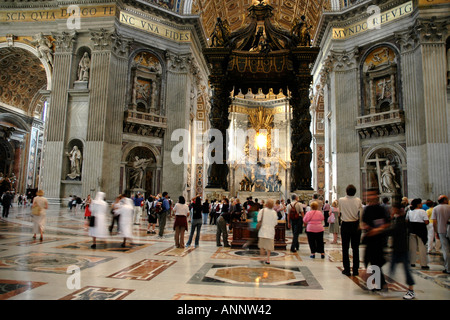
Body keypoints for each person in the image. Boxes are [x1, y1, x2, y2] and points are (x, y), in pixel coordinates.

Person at [361, 190, 390, 291]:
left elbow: (387, 223)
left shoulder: (381, 209)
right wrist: (365, 227)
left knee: (376, 261)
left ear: (376, 196)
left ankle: (379, 283)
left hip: (379, 238)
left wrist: (377, 230)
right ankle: (380, 283)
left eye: (370, 195)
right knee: (370, 260)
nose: (368, 196)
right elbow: (363, 222)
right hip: (370, 238)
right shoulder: (367, 209)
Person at [388, 197, 416, 300]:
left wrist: (379, 230)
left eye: (393, 209)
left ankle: (411, 290)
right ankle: (386, 285)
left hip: (402, 249)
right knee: (392, 268)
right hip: (397, 248)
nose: (391, 210)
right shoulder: (399, 219)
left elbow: (392, 231)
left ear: (398, 210)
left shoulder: (401, 221)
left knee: (406, 270)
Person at [338, 184, 363, 276]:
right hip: (355, 224)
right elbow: (360, 213)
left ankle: (347, 270)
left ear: (346, 191)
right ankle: (355, 270)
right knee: (355, 249)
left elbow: (339, 213)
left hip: (345, 224)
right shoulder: (358, 200)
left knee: (345, 248)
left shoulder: (341, 200)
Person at [406, 198, 429, 269]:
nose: (422, 204)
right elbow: (426, 222)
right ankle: (423, 264)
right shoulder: (422, 211)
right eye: (421, 203)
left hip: (412, 230)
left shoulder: (409, 211)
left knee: (412, 248)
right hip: (421, 231)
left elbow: (406, 220)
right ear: (418, 204)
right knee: (422, 247)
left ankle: (412, 262)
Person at [431, 195, 450, 274]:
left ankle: (448, 268)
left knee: (445, 250)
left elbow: (434, 222)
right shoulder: (449, 207)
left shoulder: (435, 208)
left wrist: (436, 232)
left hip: (441, 230)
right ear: (445, 200)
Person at [257, 199, 278, 264]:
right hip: (270, 231)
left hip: (263, 230)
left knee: (262, 246)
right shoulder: (274, 212)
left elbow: (258, 219)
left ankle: (262, 258)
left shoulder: (262, 211)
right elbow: (275, 222)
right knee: (269, 247)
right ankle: (268, 259)